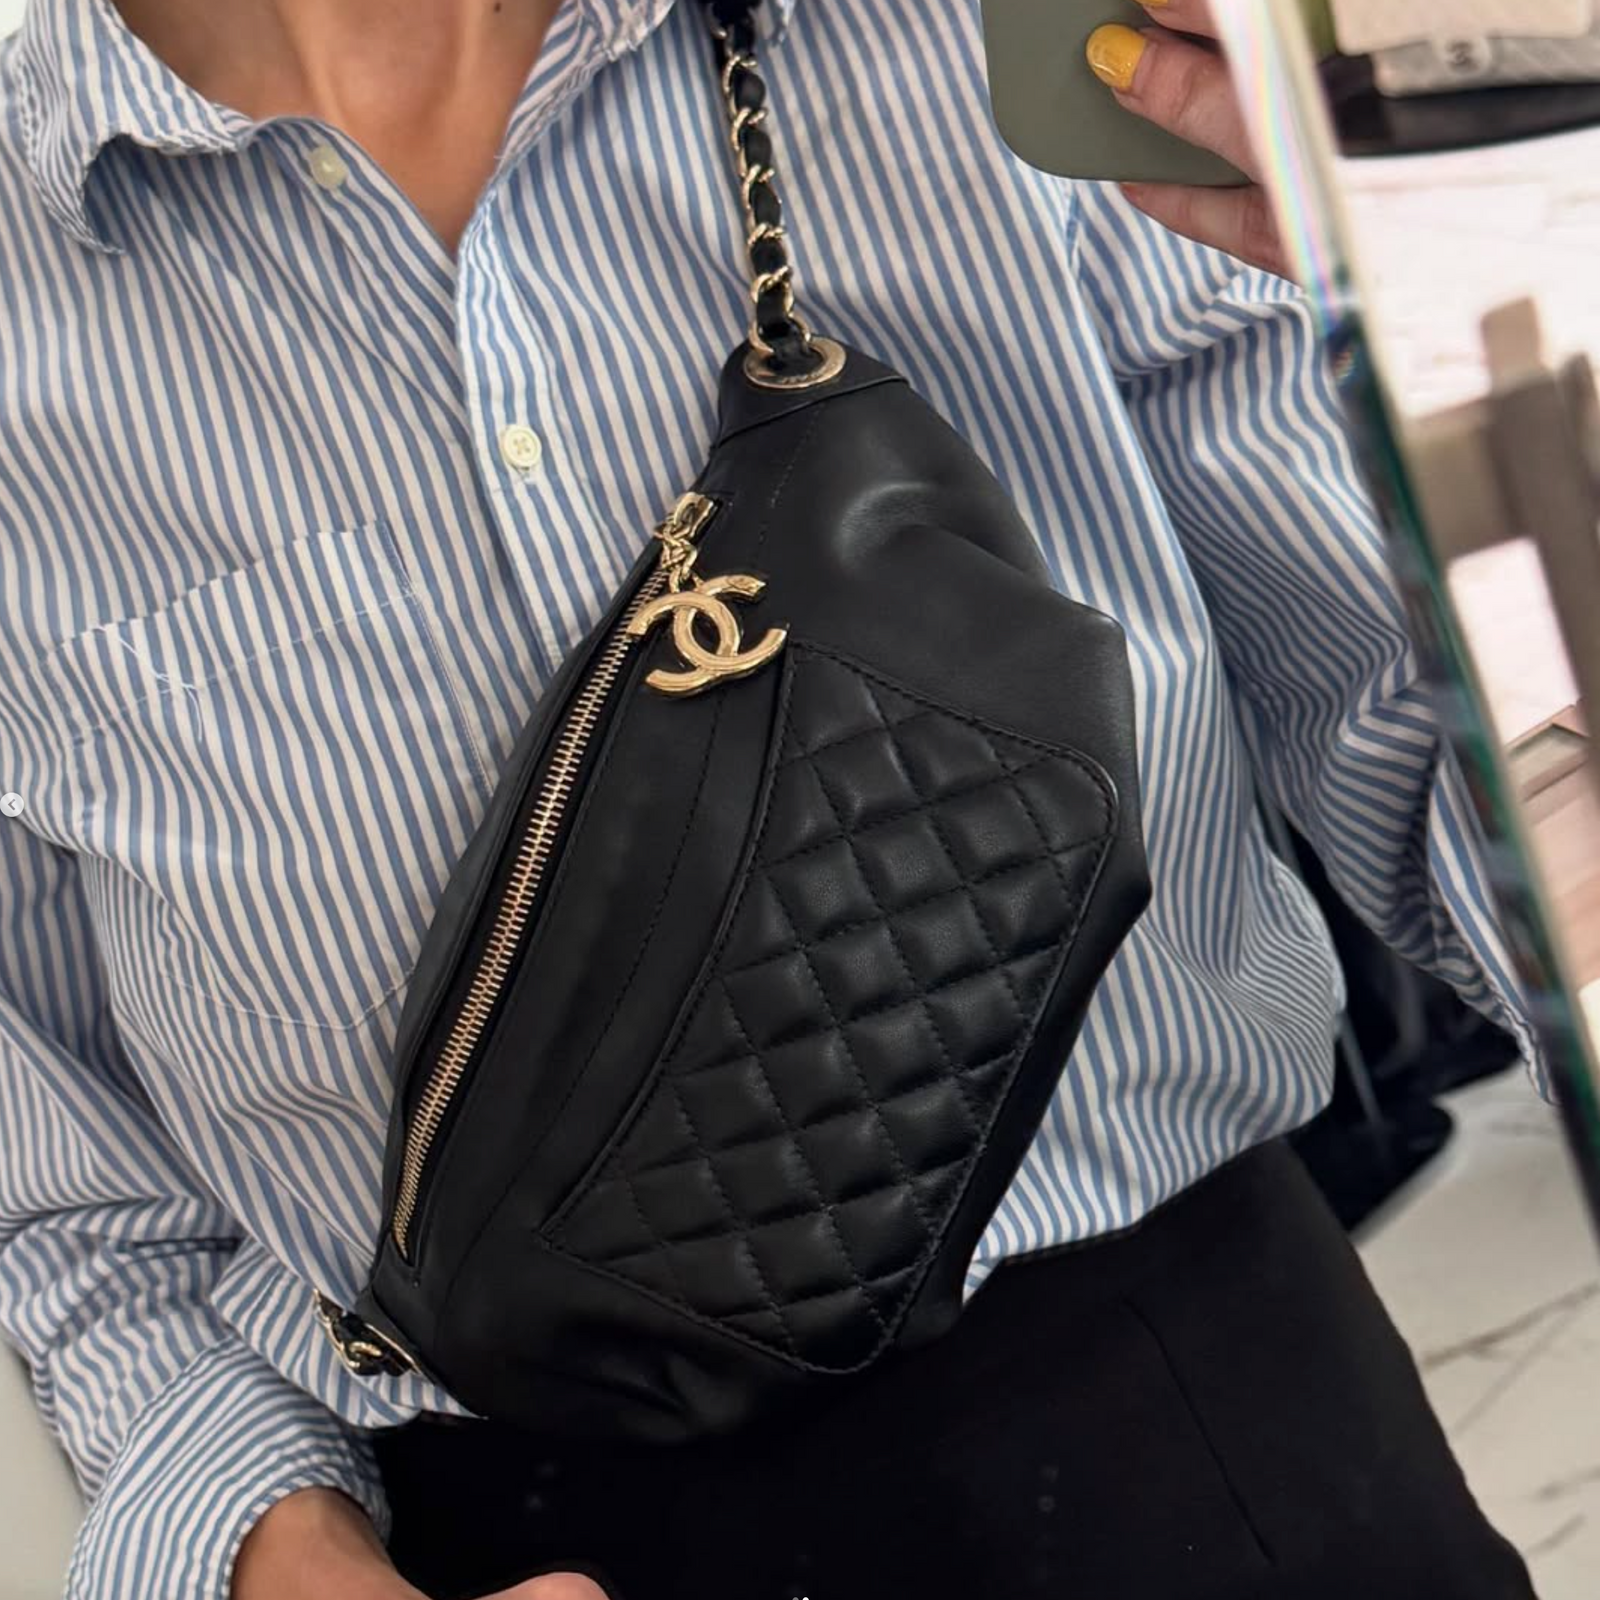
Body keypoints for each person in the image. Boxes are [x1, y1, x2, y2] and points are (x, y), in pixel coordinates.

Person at [0, 1, 1546, 1597]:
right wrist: (276, 1551)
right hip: (504, 1537)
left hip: (1197, 1420)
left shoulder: (962, 33)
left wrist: (1505, 266)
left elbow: (1447, 728)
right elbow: (60, 1194)